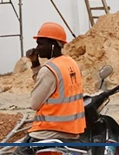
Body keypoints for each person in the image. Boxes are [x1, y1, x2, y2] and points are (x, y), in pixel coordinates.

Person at [15, 22, 85, 154]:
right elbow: (52, 88)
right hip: (72, 131)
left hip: (48, 132)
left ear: (53, 44)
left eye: (41, 44)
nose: (37, 48)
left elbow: (34, 104)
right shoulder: (72, 64)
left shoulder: (49, 69)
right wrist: (35, 63)